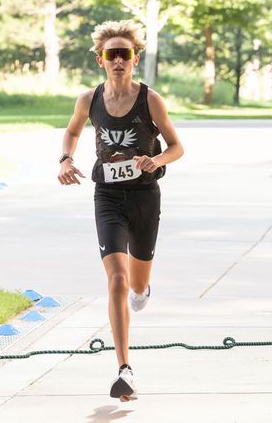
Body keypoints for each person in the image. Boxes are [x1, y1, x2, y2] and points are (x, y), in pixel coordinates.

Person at [57, 20, 184, 402]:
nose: (117, 60)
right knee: (115, 278)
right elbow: (73, 131)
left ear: (134, 59)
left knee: (137, 285)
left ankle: (142, 290)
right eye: (110, 54)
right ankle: (124, 369)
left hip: (145, 196)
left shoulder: (151, 100)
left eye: (123, 54)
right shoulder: (88, 99)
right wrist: (65, 159)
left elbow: (177, 146)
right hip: (107, 197)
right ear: (100, 60)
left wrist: (156, 158)